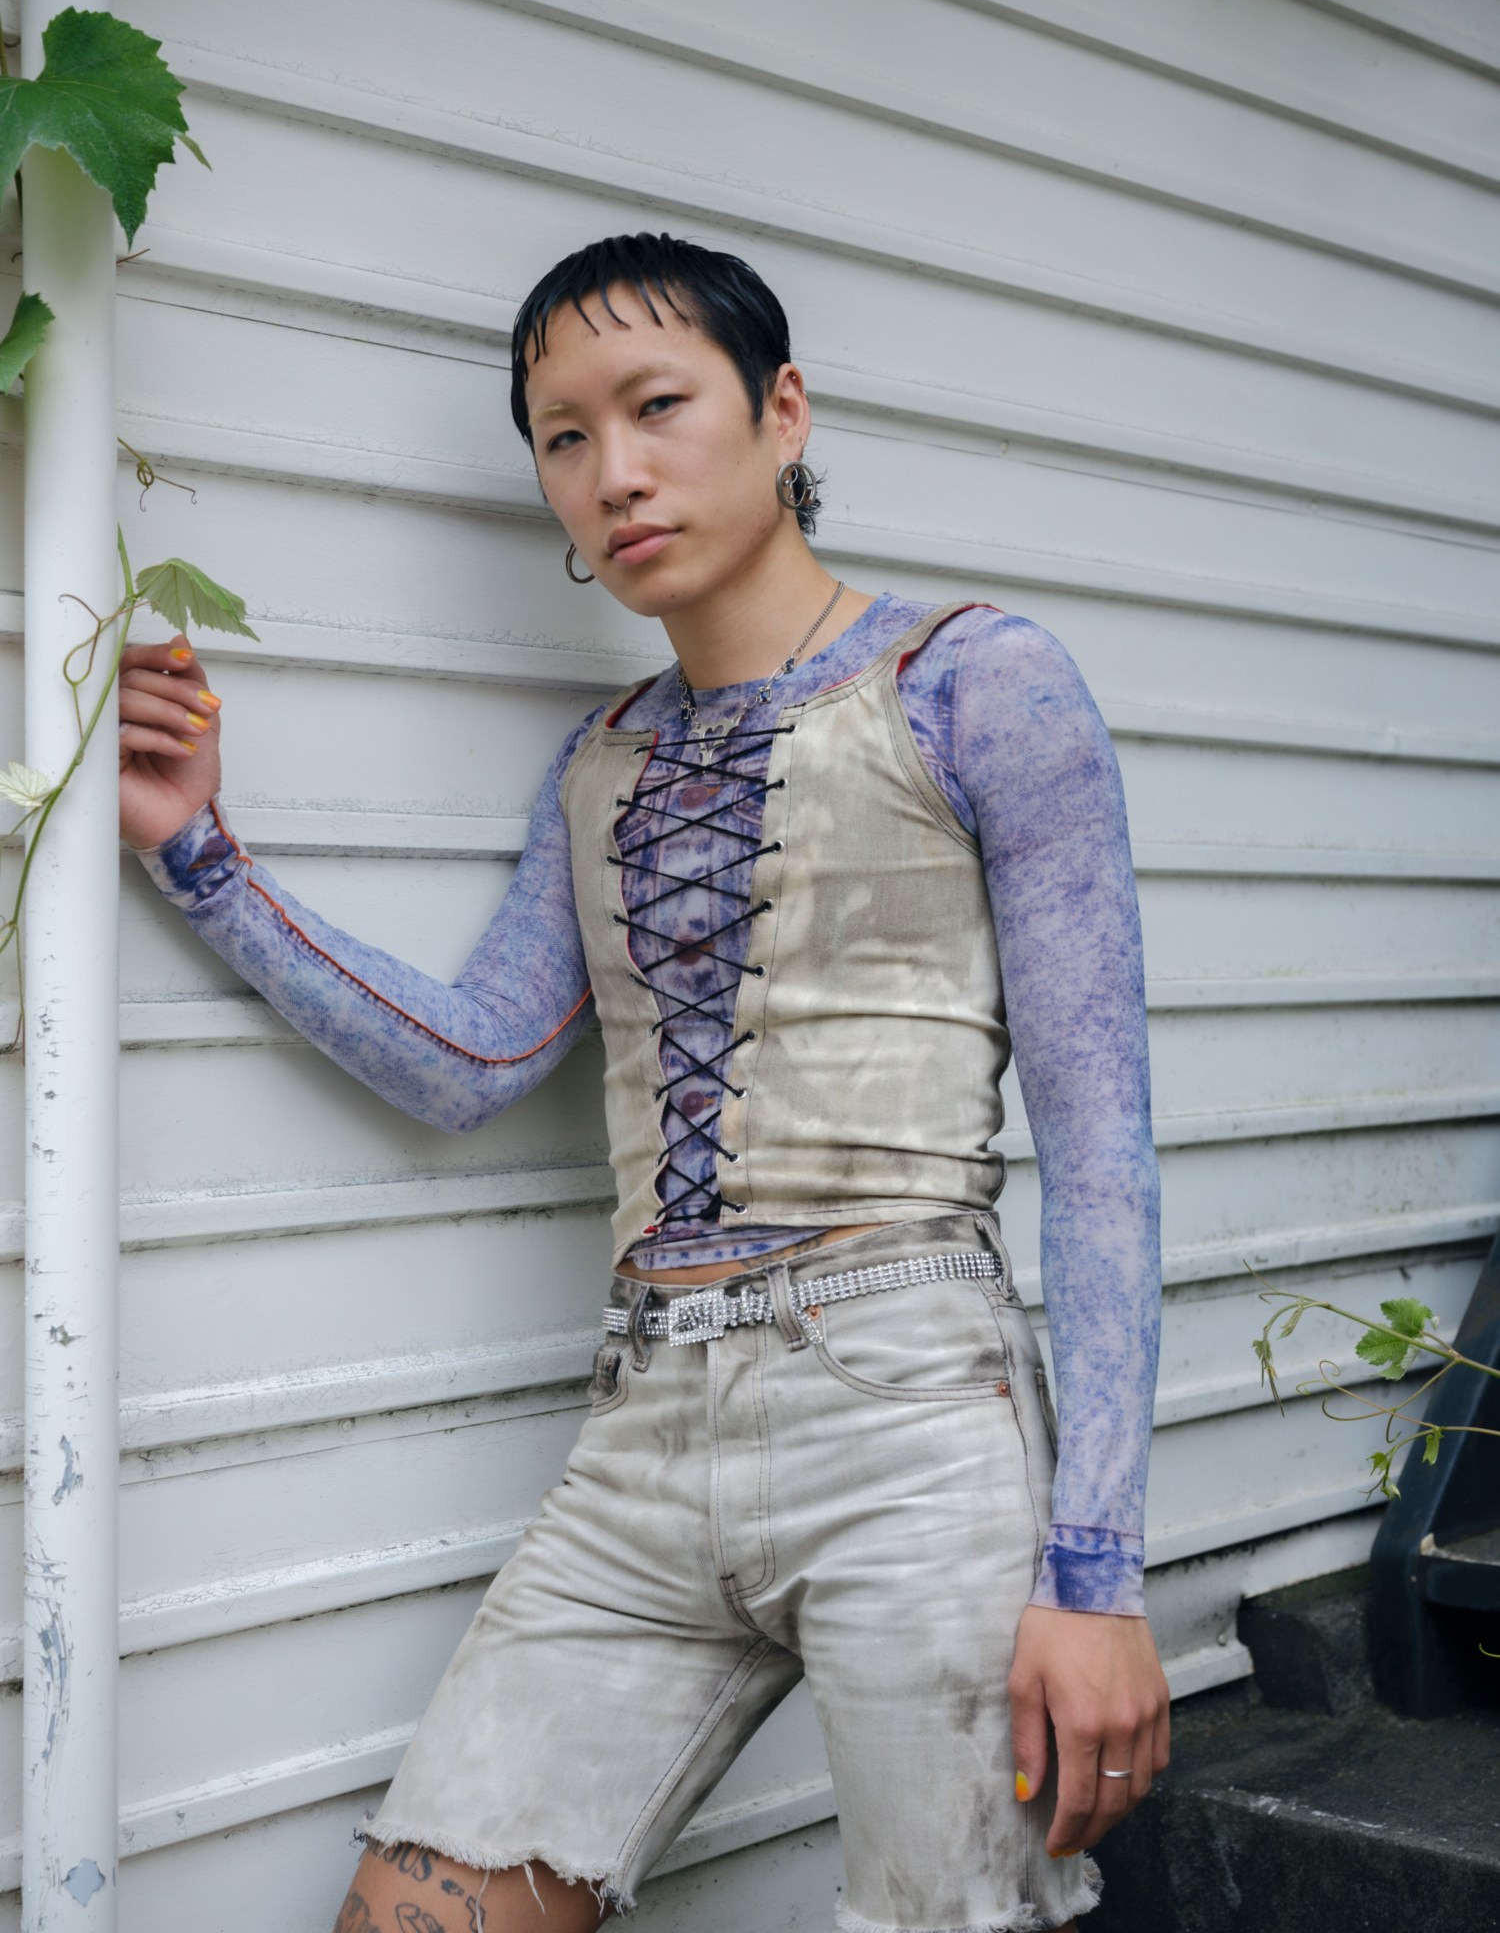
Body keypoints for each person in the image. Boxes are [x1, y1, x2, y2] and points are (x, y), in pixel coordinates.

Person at [119, 232, 1169, 1933]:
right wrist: (204, 861)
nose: (614, 473)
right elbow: (479, 1058)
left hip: (912, 1407)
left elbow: (1104, 1147)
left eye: (657, 405)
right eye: (562, 436)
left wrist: (1098, 1573)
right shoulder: (599, 756)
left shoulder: (980, 683)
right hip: (646, 1427)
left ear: (780, 410)